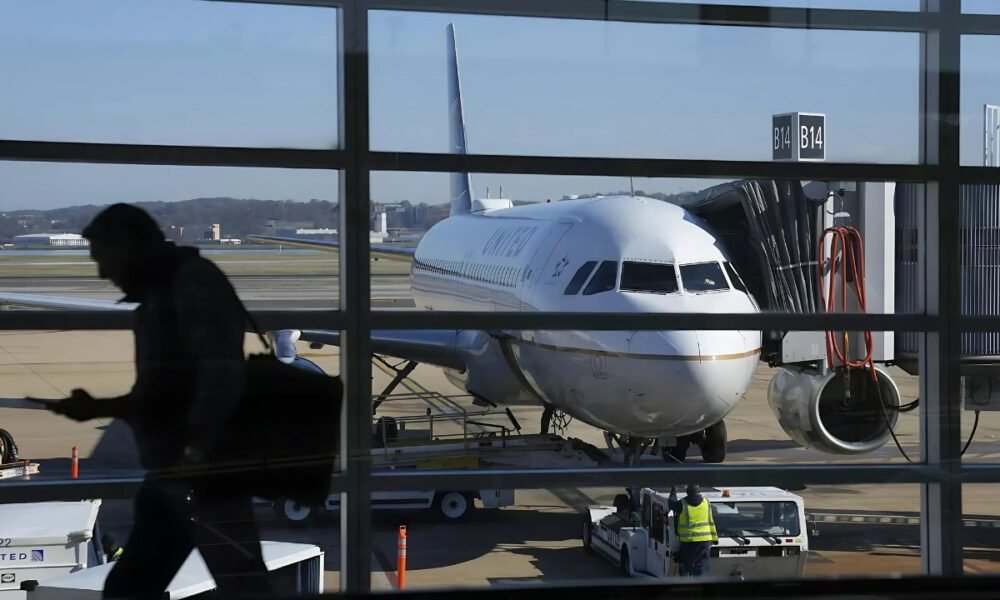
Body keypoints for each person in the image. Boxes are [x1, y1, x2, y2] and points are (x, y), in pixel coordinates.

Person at [44, 204, 270, 599]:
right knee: (135, 587)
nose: (102, 274)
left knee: (236, 586)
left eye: (104, 260)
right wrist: (98, 408)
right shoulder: (166, 290)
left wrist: (195, 453)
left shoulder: (190, 285)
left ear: (130, 247)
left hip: (202, 478)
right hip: (175, 476)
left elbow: (221, 379)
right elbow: (165, 393)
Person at [668, 484, 718, 577]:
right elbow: (710, 520)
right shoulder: (706, 502)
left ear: (687, 493)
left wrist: (673, 491)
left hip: (689, 541)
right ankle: (701, 583)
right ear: (699, 492)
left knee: (685, 565)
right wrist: (715, 538)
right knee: (702, 565)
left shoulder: (682, 503)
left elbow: (671, 504)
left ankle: (686, 585)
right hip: (705, 540)